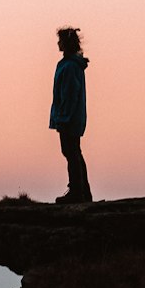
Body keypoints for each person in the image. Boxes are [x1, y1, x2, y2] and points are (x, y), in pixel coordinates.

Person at [49, 27, 92, 203]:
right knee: (73, 151)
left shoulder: (70, 66)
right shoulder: (70, 65)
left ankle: (77, 192)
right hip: (70, 116)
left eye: (60, 41)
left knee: (71, 151)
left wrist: (64, 118)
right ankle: (82, 191)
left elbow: (70, 94)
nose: (58, 43)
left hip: (69, 118)